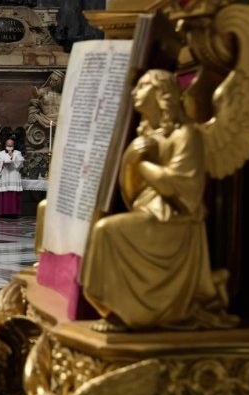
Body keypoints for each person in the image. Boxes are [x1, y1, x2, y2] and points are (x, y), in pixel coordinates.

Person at [82, 69, 237, 331]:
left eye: (143, 86)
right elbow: (130, 191)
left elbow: (182, 189)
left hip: (176, 223)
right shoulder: (151, 137)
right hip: (150, 213)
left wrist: (140, 164)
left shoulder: (186, 135)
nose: (134, 91)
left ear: (162, 94)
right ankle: (120, 310)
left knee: (106, 230)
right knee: (100, 227)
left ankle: (131, 313)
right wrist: (135, 160)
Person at [0, 138, 25, 217]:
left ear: (13, 145)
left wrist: (12, 159)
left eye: (11, 145)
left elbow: (20, 164)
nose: (9, 147)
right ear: (5, 145)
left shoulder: (18, 153)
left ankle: (14, 213)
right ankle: (3, 212)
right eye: (8, 145)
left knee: (14, 194)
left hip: (14, 175)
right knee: (4, 193)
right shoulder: (0, 154)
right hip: (4, 175)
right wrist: (2, 163)